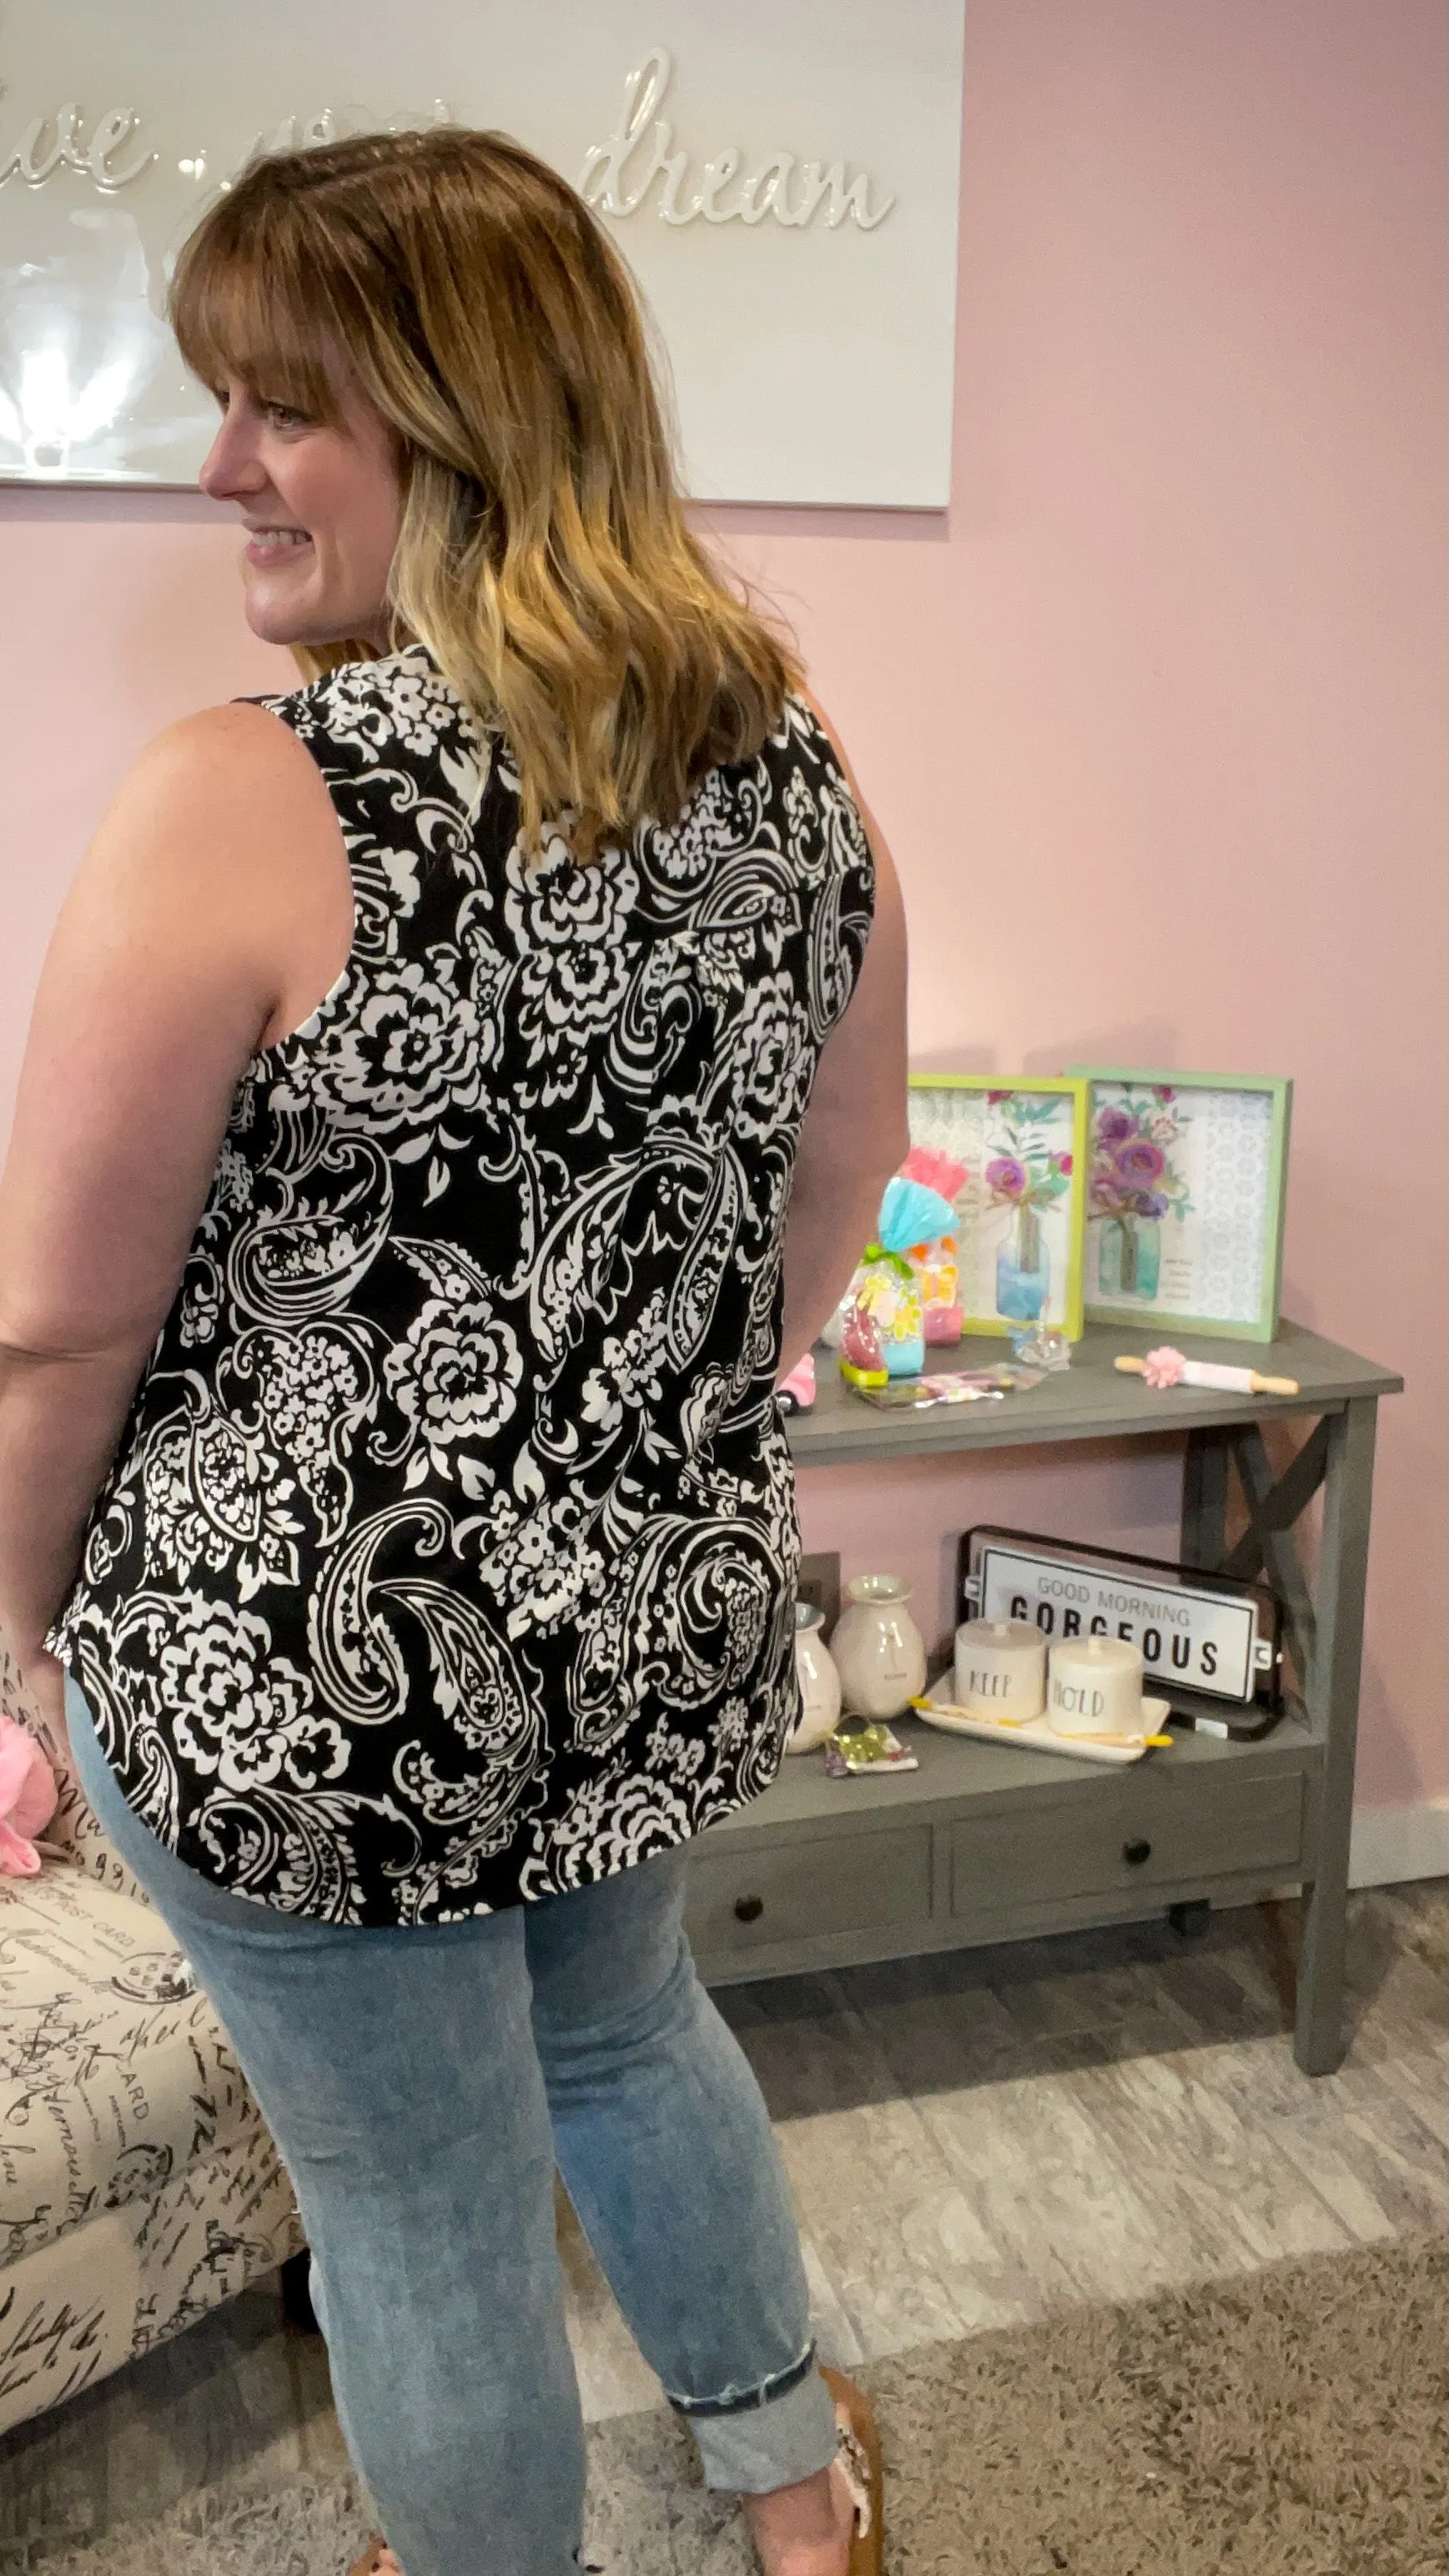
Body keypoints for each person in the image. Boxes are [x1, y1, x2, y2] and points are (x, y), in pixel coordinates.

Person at [0, 128, 908, 2576]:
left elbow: (52, 1328)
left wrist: (7, 1646)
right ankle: (802, 2504)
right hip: (634, 1627)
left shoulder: (239, 795)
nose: (223, 469)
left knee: (417, 2207)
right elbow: (836, 1192)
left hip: (305, 1681)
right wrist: (626, 1436)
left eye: (285, 407)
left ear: (466, 416)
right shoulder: (791, 770)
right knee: (630, 2032)